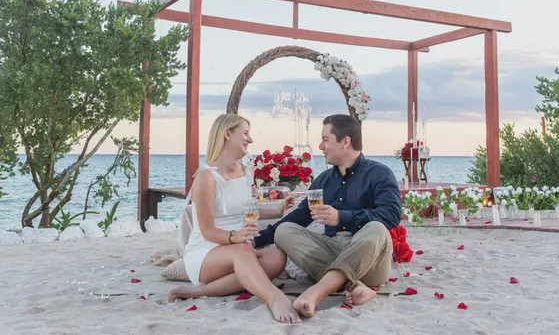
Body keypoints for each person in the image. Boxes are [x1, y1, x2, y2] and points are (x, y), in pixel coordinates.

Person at [253, 114, 402, 317]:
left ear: (345, 141)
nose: (320, 146)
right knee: (284, 231)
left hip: (371, 259)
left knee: (376, 228)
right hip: (332, 251)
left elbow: (392, 215)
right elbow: (299, 217)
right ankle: (356, 286)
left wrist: (342, 217)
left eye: (325, 140)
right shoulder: (323, 180)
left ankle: (317, 291)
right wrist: (256, 240)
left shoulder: (379, 173)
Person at [167, 114, 300, 324]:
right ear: (227, 134)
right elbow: (207, 230)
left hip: (238, 250)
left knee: (277, 257)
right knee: (244, 250)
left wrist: (277, 210)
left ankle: (205, 291)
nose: (251, 139)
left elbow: (246, 212)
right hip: (206, 252)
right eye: (245, 133)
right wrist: (236, 236)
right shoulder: (206, 177)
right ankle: (275, 298)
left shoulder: (247, 173)